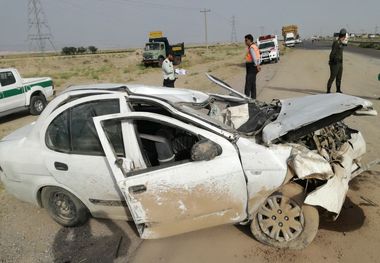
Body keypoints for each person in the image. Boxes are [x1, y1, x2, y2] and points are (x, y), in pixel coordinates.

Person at [327, 28, 348, 93]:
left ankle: (338, 89)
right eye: (345, 36)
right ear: (344, 36)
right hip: (335, 63)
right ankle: (328, 90)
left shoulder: (341, 43)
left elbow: (345, 43)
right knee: (332, 77)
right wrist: (331, 61)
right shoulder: (336, 43)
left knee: (339, 77)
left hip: (340, 63)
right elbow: (332, 53)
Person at [244, 34, 261, 99]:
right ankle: (253, 99)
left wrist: (257, 66)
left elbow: (254, 58)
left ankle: (246, 99)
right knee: (253, 84)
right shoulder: (255, 46)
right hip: (254, 67)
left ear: (250, 40)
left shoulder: (251, 48)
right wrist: (258, 65)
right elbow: (258, 56)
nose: (245, 42)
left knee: (248, 84)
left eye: (246, 40)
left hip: (251, 67)